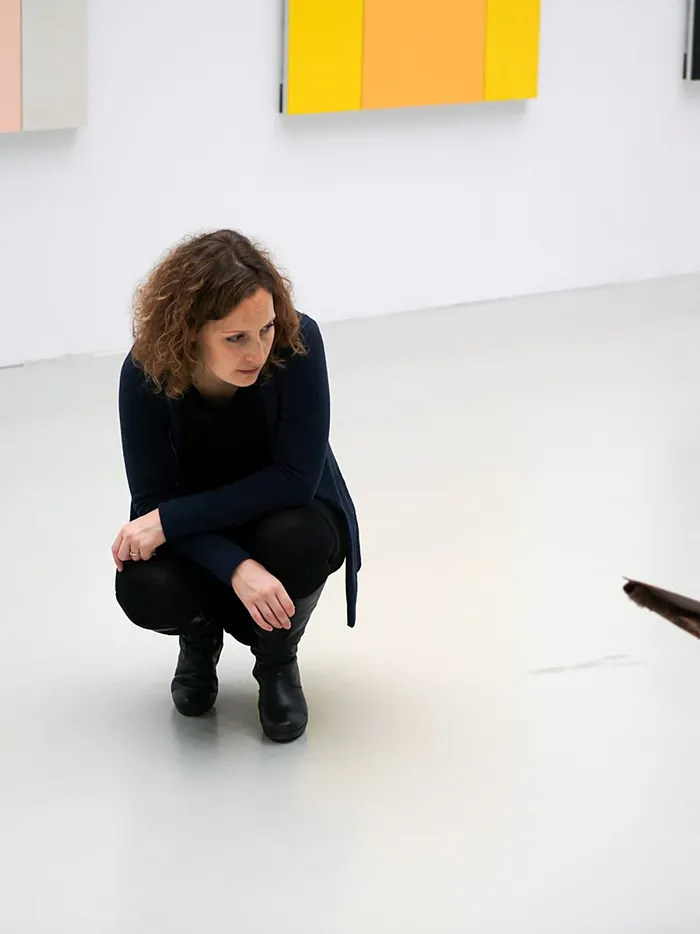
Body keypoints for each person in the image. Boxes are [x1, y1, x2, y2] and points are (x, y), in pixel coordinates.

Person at [112, 230, 360, 743]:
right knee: (143, 582)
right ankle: (199, 635)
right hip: (200, 523)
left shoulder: (298, 343)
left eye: (265, 329)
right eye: (236, 338)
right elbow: (154, 500)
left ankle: (276, 662)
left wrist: (170, 521)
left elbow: (294, 480)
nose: (258, 351)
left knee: (301, 536)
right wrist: (236, 567)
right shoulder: (145, 371)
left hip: (285, 509)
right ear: (189, 333)